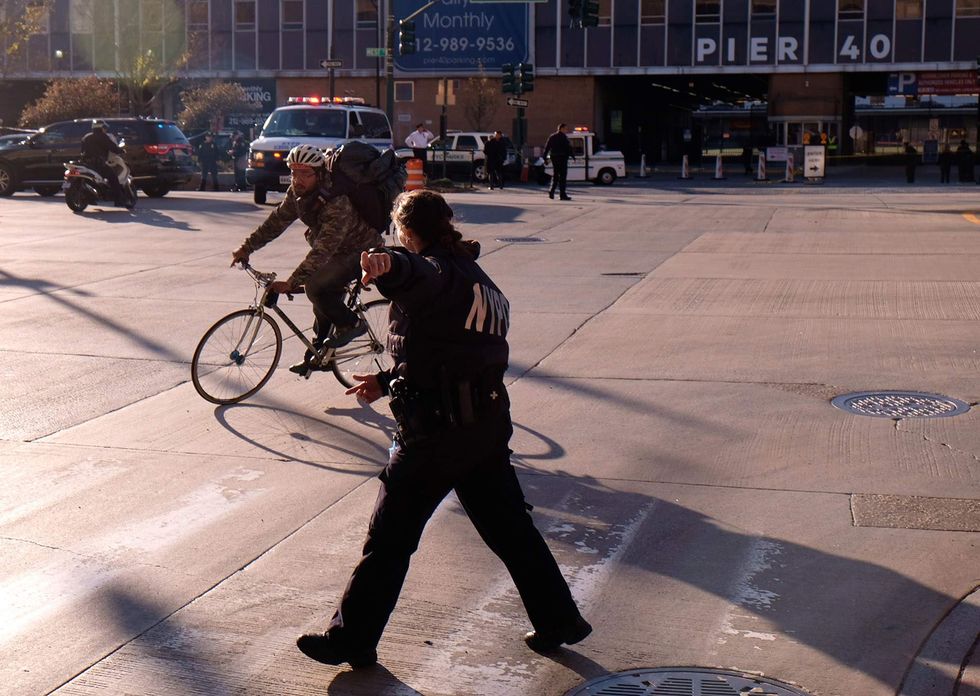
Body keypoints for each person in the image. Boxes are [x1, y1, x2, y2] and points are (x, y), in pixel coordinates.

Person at [295, 189, 592, 669]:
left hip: (435, 432)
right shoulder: (481, 281)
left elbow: (419, 276)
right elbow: (453, 351)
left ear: (408, 233)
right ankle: (560, 619)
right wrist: (388, 379)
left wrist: (389, 265)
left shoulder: (434, 270)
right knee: (512, 531)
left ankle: (352, 639)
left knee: (389, 539)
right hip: (484, 428)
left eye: (399, 235)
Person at [230, 144, 382, 373]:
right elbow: (276, 221)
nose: (297, 179)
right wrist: (246, 247)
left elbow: (324, 249)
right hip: (336, 250)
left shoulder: (336, 201)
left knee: (315, 286)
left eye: (305, 174)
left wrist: (292, 281)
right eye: (293, 172)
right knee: (321, 304)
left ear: (319, 174)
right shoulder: (298, 193)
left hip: (359, 251)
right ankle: (320, 355)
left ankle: (352, 324)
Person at [80, 120, 124, 206]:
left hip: (86, 164)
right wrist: (120, 150)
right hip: (99, 164)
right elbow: (113, 147)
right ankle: (118, 200)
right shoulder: (103, 137)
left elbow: (82, 150)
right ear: (101, 128)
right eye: (104, 128)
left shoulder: (86, 137)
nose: (105, 130)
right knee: (113, 178)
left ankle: (91, 197)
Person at [543, 123, 574, 201]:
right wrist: (573, 156)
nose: (566, 130)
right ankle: (562, 194)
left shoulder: (552, 137)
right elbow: (568, 148)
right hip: (563, 158)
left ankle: (551, 191)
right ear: (561, 129)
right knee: (562, 177)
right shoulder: (564, 137)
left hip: (554, 157)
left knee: (556, 175)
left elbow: (547, 147)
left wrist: (545, 158)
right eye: (565, 129)